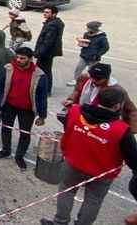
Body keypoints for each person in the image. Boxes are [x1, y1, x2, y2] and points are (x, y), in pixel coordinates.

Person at [41, 88, 137, 225]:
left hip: (73, 163)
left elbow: (66, 124)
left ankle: (60, 222)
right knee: (93, 200)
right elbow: (133, 159)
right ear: (117, 106)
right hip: (101, 173)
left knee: (66, 191)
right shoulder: (122, 129)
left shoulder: (75, 111)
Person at [0, 47, 48, 170]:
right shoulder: (8, 68)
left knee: (24, 133)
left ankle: (19, 156)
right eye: (17, 57)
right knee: (6, 129)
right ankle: (6, 150)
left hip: (27, 110)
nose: (18, 60)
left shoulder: (39, 74)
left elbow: (42, 96)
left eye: (22, 58)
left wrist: (42, 115)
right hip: (8, 106)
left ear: (30, 59)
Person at [63, 63, 137, 132]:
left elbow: (131, 110)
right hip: (81, 117)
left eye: (98, 79)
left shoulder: (116, 91)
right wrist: (71, 100)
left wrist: (129, 131)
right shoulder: (84, 78)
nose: (93, 80)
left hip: (100, 125)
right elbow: (77, 91)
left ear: (107, 78)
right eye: (92, 77)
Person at [35, 5, 65, 96]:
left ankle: (45, 90)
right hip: (48, 52)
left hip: (46, 52)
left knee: (44, 71)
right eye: (44, 12)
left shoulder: (52, 25)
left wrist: (39, 52)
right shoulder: (53, 22)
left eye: (47, 12)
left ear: (54, 14)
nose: (44, 14)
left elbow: (48, 42)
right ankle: (44, 88)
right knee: (44, 70)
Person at [70, 21, 109, 86]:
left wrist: (98, 54)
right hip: (84, 55)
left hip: (94, 58)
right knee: (78, 68)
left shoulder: (102, 38)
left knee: (92, 71)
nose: (87, 29)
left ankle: (91, 83)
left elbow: (106, 47)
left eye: (88, 28)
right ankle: (75, 80)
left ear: (93, 29)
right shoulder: (86, 34)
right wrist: (81, 43)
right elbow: (85, 43)